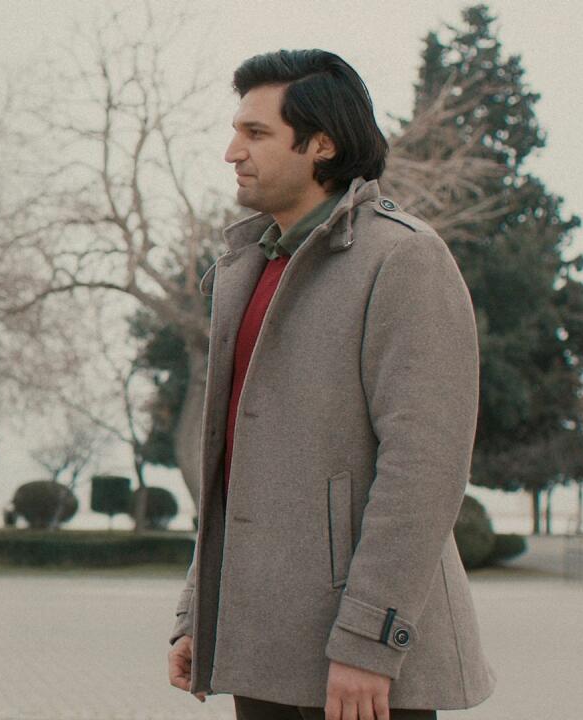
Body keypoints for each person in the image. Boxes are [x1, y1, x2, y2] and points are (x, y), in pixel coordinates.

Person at [166, 50, 495, 720]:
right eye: (236, 131)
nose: (233, 152)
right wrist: (198, 613)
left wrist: (369, 643)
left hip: (360, 665)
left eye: (256, 133)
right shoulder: (246, 268)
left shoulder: (403, 258)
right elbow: (236, 467)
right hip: (263, 652)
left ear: (322, 144)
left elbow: (424, 469)